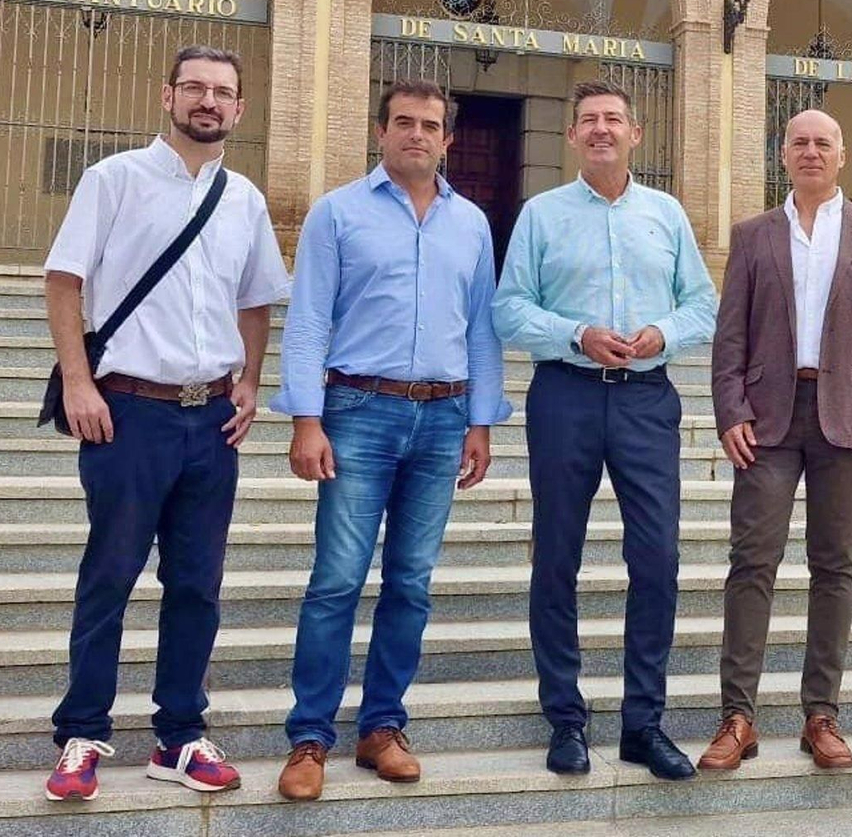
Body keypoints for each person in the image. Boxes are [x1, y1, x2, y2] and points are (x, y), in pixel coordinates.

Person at [42, 45, 291, 801]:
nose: (208, 102)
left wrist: (250, 379)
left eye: (222, 92)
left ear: (240, 108)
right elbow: (64, 281)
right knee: (110, 576)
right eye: (195, 88)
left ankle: (180, 736)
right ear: (168, 96)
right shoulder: (112, 179)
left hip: (210, 419)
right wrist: (80, 384)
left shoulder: (244, 199)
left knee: (197, 584)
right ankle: (82, 733)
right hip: (127, 414)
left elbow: (254, 300)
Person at [273, 79, 511, 802]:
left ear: (446, 139)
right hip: (357, 412)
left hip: (441, 420)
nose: (417, 134)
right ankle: (310, 738)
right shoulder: (336, 214)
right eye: (403, 122)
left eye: (430, 125)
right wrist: (306, 418)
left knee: (410, 582)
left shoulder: (470, 223)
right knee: (337, 580)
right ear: (380, 133)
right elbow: (310, 318)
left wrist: (481, 421)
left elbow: (481, 328)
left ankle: (382, 729)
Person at [493, 81, 718, 782]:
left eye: (612, 120)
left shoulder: (667, 213)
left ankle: (643, 724)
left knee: (657, 560)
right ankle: (565, 719)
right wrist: (576, 333)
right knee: (556, 557)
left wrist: (662, 332)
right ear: (572, 136)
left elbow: (703, 304)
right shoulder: (541, 215)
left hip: (647, 400)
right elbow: (508, 310)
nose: (600, 130)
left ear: (635, 134)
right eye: (587, 119)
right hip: (564, 396)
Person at [703, 110, 852, 771]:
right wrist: (730, 408)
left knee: (835, 565)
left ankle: (822, 715)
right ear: (783, 154)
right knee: (752, 560)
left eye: (824, 142)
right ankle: (737, 717)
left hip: (846, 417)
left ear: (842, 154)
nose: (812, 151)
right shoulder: (754, 235)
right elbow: (729, 335)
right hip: (767, 417)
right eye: (800, 142)